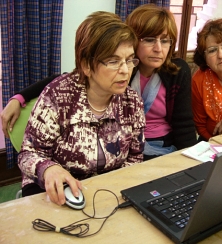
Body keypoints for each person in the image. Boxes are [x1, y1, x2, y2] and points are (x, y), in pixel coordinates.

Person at [1, 4, 197, 161]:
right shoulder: (67, 91)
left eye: (166, 41)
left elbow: (183, 124)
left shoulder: (137, 95)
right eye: (149, 40)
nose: (158, 49)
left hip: (152, 148)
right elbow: (66, 80)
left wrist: (190, 161)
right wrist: (19, 97)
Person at [16, 11, 145, 206]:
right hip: (55, 191)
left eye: (129, 60)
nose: (126, 70)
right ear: (86, 65)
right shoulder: (58, 96)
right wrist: (48, 169)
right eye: (113, 61)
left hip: (106, 191)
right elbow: (28, 153)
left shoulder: (131, 101)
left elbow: (136, 156)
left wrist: (115, 190)